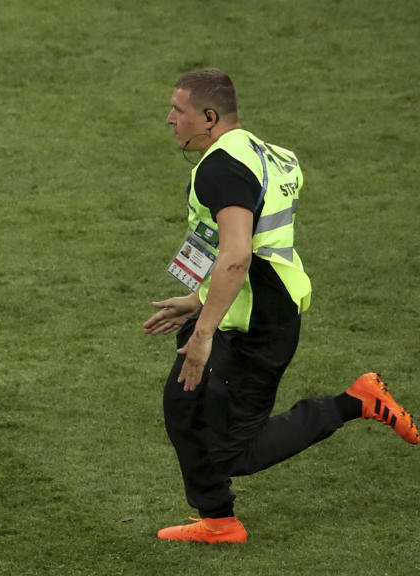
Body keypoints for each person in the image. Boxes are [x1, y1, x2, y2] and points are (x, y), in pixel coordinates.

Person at [145, 68, 418, 544]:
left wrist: (203, 333)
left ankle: (356, 401)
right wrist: (196, 300)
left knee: (234, 451)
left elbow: (237, 256)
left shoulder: (221, 167)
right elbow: (250, 242)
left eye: (178, 110)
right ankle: (218, 520)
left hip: (257, 326)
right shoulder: (270, 154)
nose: (169, 119)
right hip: (241, 308)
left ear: (209, 116)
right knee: (182, 405)